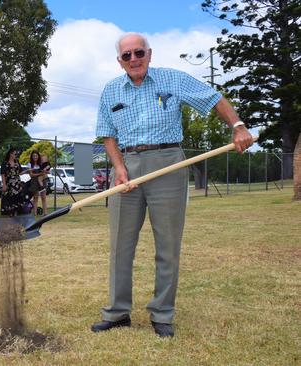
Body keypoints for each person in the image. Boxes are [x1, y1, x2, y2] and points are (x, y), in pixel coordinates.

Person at [92, 32, 253, 338]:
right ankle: (117, 312)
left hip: (169, 163)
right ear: (119, 61)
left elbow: (214, 98)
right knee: (120, 246)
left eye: (138, 53)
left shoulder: (172, 80)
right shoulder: (111, 90)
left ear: (149, 54)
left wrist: (238, 126)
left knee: (167, 245)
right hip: (127, 168)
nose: (134, 59)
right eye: (127, 56)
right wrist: (119, 167)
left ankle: (162, 313)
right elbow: (107, 134)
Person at [0, 147, 29, 216]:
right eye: (15, 154)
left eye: (16, 154)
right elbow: (2, 174)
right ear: (10, 154)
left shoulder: (17, 162)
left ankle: (16, 212)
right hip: (9, 183)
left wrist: (27, 171)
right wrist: (4, 184)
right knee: (9, 198)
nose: (16, 156)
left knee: (18, 197)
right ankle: (10, 212)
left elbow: (20, 172)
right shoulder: (5, 163)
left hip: (17, 183)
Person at [27, 150, 48, 216]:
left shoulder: (41, 164)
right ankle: (35, 214)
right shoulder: (29, 164)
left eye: (36, 155)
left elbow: (45, 172)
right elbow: (31, 175)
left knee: (43, 198)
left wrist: (43, 174)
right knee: (35, 198)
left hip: (42, 181)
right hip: (34, 182)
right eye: (33, 156)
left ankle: (45, 214)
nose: (35, 157)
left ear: (38, 156)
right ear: (32, 157)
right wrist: (40, 173)